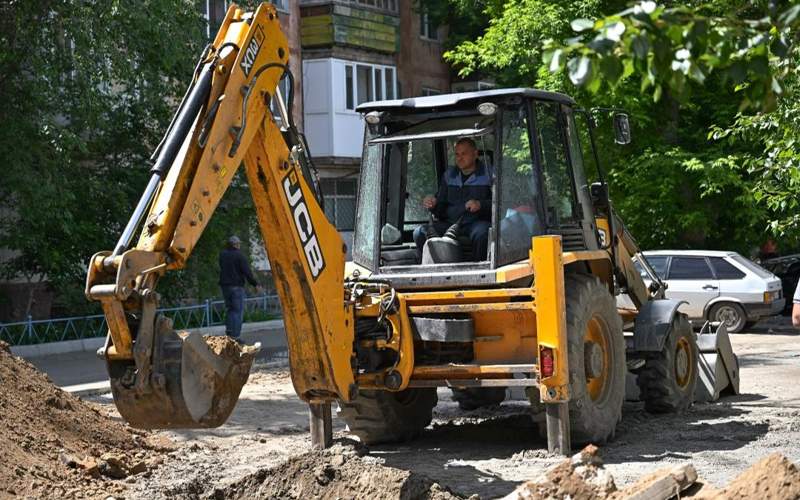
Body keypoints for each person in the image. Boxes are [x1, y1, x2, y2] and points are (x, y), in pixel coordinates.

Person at [413, 137, 493, 261]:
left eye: (464, 154)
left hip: (476, 223)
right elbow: (441, 207)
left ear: (475, 154)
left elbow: (500, 204)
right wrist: (433, 204)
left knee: (483, 233)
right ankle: (430, 267)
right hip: (450, 223)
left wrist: (480, 205)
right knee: (419, 232)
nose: (459, 158)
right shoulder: (449, 175)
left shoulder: (489, 174)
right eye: (457, 154)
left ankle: (479, 266)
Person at [219, 235, 259, 342]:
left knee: (230, 310)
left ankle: (229, 333)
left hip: (225, 287)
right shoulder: (239, 256)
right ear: (236, 244)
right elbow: (247, 272)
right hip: (236, 287)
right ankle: (235, 336)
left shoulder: (222, 254)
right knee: (237, 311)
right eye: (239, 244)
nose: (239, 245)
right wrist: (255, 284)